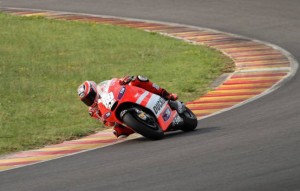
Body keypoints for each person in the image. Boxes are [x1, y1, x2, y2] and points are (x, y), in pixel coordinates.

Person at [77, 75, 180, 138]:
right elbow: (109, 123)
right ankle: (143, 127)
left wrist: (124, 80)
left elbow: (115, 82)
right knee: (118, 132)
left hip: (123, 98)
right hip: (118, 116)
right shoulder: (93, 111)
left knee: (138, 79)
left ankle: (166, 94)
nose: (90, 100)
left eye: (90, 96)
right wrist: (105, 120)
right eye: (86, 100)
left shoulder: (104, 87)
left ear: (95, 89)